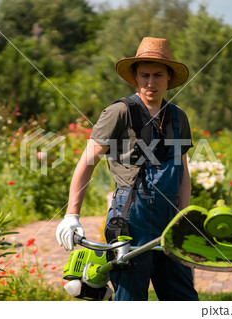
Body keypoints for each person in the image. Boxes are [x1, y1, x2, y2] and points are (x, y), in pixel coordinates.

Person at [56, 37, 198, 301]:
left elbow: (183, 171)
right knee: (131, 298)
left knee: (183, 297)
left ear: (169, 78)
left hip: (170, 222)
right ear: (135, 77)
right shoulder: (120, 112)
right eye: (144, 75)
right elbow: (87, 161)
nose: (150, 82)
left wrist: (184, 217)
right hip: (131, 218)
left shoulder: (178, 117)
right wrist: (71, 215)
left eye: (157, 75)